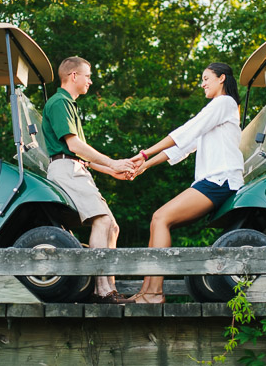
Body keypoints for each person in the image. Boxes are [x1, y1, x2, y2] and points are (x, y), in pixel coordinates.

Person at [128, 62, 244, 303]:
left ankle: (154, 293)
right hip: (210, 181)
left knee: (161, 219)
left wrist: (146, 153)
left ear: (221, 78)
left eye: (206, 78)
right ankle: (146, 292)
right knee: (157, 221)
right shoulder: (218, 109)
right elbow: (184, 146)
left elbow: (187, 130)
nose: (202, 83)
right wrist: (145, 165)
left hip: (220, 180)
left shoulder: (224, 103)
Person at [41, 56, 137, 304]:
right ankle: (101, 291)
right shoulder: (60, 102)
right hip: (66, 169)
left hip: (75, 167)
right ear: (73, 76)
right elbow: (75, 147)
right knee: (102, 221)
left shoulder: (69, 105)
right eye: (87, 76)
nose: (90, 81)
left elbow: (80, 154)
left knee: (112, 227)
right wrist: (113, 162)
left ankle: (109, 288)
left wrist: (110, 170)